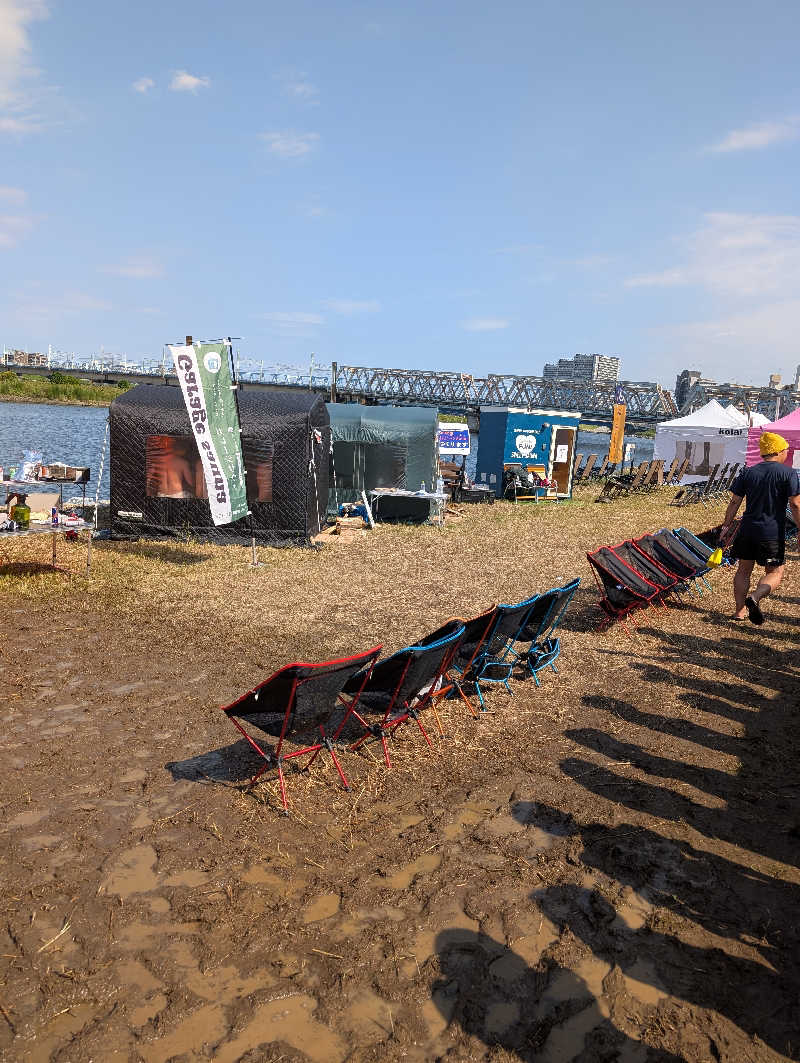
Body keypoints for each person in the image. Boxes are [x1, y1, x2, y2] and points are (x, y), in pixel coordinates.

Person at [720, 432, 800, 625]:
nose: (787, 454)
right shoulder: (788, 473)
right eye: (786, 450)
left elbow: (734, 501)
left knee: (743, 571)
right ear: (778, 451)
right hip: (771, 532)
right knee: (774, 572)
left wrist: (726, 525)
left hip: (747, 530)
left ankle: (739, 612)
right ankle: (755, 597)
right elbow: (795, 504)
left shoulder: (748, 472)